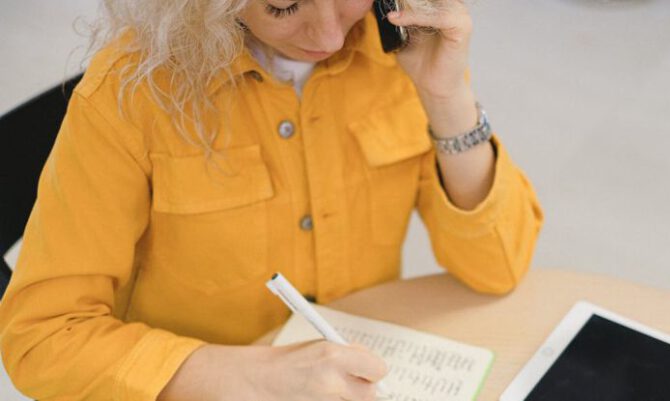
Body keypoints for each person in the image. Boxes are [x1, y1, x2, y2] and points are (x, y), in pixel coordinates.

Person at [0, 0, 543, 399]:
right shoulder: (132, 94)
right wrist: (260, 378)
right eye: (284, 7)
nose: (329, 35)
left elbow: (497, 265)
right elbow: (43, 339)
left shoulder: (398, 45)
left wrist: (445, 97)